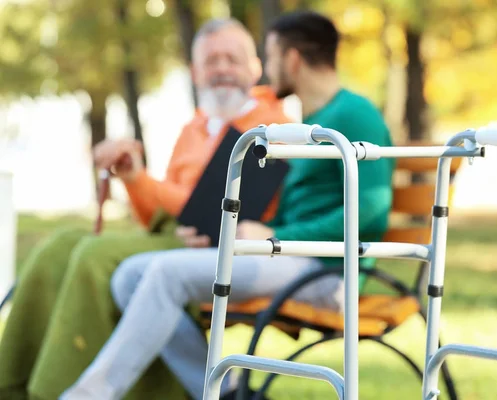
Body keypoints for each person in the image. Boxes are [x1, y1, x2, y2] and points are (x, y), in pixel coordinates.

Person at [60, 10, 394, 400]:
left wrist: (276, 235)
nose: (267, 71)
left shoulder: (355, 114)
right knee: (129, 277)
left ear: (292, 59)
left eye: (269, 58)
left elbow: (372, 209)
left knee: (166, 273)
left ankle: (87, 395)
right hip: (291, 259)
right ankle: (229, 391)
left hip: (328, 273)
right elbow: (298, 206)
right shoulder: (315, 119)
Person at [0, 18, 290, 400]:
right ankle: (11, 380)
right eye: (211, 60)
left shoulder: (269, 128)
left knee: (94, 254)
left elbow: (212, 209)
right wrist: (136, 180)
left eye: (231, 59)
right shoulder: (195, 126)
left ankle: (51, 390)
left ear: (255, 68)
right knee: (59, 244)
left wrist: (143, 181)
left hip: (214, 247)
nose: (221, 69)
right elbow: (155, 215)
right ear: (195, 71)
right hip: (174, 234)